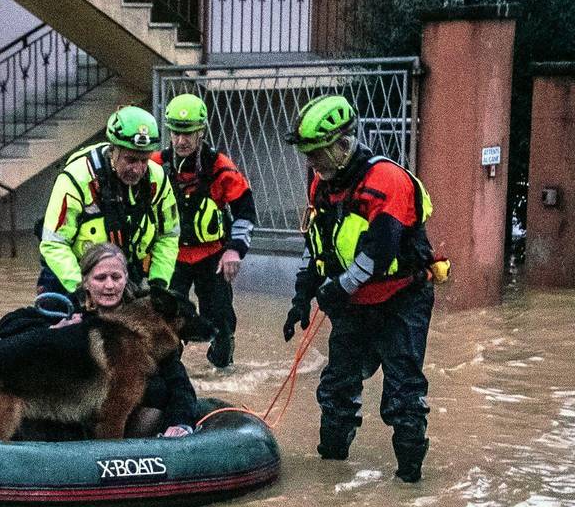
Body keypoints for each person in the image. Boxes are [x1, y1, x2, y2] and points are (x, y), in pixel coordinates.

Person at [282, 94, 436, 483]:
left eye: (316, 153)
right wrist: (302, 295)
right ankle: (332, 476)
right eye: (308, 154)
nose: (311, 163)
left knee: (403, 391)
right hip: (353, 302)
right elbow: (315, 243)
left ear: (342, 143)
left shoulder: (387, 182)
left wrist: (339, 288)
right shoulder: (323, 183)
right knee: (336, 386)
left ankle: (410, 482)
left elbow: (379, 252)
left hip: (401, 298)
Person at [0, 243, 198, 439]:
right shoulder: (68, 309)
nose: (109, 285)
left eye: (116, 277)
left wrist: (180, 423)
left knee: (158, 389)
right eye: (100, 278)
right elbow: (7, 326)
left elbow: (179, 382)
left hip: (128, 419)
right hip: (73, 410)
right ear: (85, 281)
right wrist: (54, 330)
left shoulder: (149, 321)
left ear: (126, 278)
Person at [151, 93, 258, 368]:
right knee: (165, 322)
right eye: (175, 132)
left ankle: (221, 366)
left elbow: (245, 212)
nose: (181, 140)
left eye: (188, 133)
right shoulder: (155, 166)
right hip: (169, 256)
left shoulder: (221, 168)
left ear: (201, 131)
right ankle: (170, 373)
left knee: (220, 322)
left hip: (212, 256)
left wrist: (234, 249)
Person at [38, 106, 180, 301]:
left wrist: (158, 283)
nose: (137, 169)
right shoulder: (77, 179)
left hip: (124, 272)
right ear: (113, 150)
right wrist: (80, 288)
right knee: (59, 326)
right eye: (130, 160)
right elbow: (54, 243)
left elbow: (168, 236)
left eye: (144, 161)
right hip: (70, 274)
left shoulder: (157, 179)